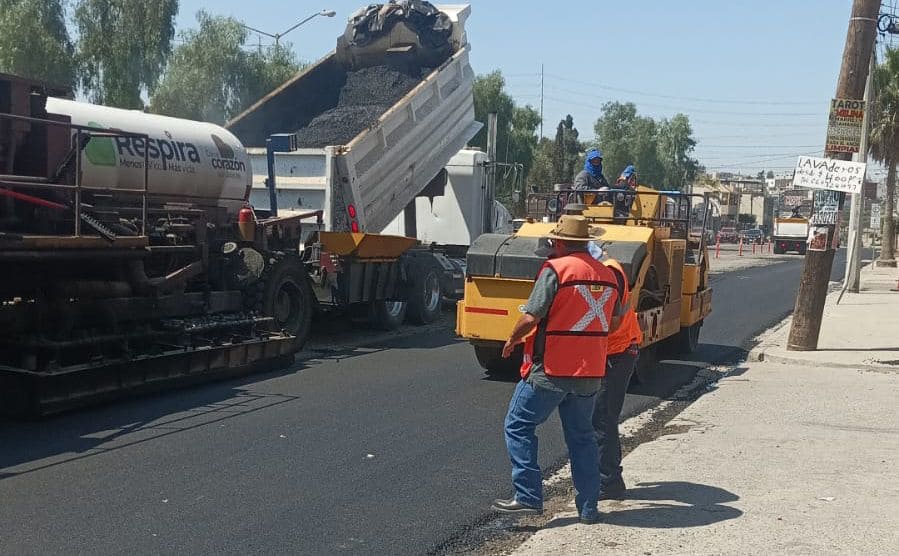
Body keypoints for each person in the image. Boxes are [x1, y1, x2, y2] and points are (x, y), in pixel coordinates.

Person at [492, 215, 622, 525]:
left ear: (561, 243)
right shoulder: (608, 274)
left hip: (553, 368)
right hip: (590, 371)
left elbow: (532, 316)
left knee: (518, 424)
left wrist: (512, 338)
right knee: (582, 438)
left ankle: (527, 495)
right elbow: (615, 321)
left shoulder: (556, 270)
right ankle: (589, 508)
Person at [591, 257, 643, 500]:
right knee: (599, 418)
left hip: (618, 352)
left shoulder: (609, 273)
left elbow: (611, 322)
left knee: (602, 418)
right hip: (610, 352)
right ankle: (605, 477)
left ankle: (609, 482)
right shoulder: (603, 271)